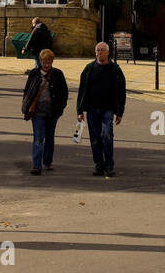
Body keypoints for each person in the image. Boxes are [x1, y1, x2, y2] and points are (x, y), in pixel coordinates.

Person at [77, 42, 126, 177]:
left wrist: (120, 112)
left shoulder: (115, 69)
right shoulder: (89, 68)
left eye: (102, 50)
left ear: (108, 52)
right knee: (95, 138)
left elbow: (122, 92)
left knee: (107, 136)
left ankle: (109, 165)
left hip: (108, 110)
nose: (99, 52)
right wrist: (79, 110)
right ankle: (99, 165)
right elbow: (82, 90)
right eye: (97, 50)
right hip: (92, 109)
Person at [21, 48, 68, 175]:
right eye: (44, 61)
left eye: (49, 62)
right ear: (40, 61)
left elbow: (64, 92)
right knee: (38, 138)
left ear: (52, 61)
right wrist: (26, 107)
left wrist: (61, 107)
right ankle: (36, 165)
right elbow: (27, 91)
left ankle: (47, 162)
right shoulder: (34, 73)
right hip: (37, 112)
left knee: (50, 138)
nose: (46, 64)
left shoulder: (58, 74)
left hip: (52, 112)